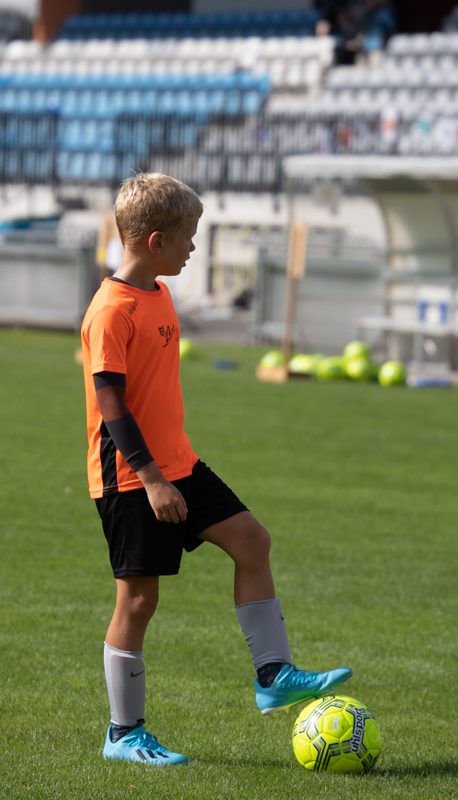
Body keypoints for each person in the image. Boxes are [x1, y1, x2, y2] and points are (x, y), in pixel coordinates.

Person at [81, 173, 353, 766]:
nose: (193, 247)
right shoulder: (110, 311)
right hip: (133, 476)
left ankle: (273, 676)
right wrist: (152, 479)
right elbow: (112, 407)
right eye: (189, 236)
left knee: (253, 541)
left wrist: (170, 470)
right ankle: (123, 734)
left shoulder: (159, 292)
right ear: (156, 241)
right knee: (138, 602)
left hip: (179, 463)